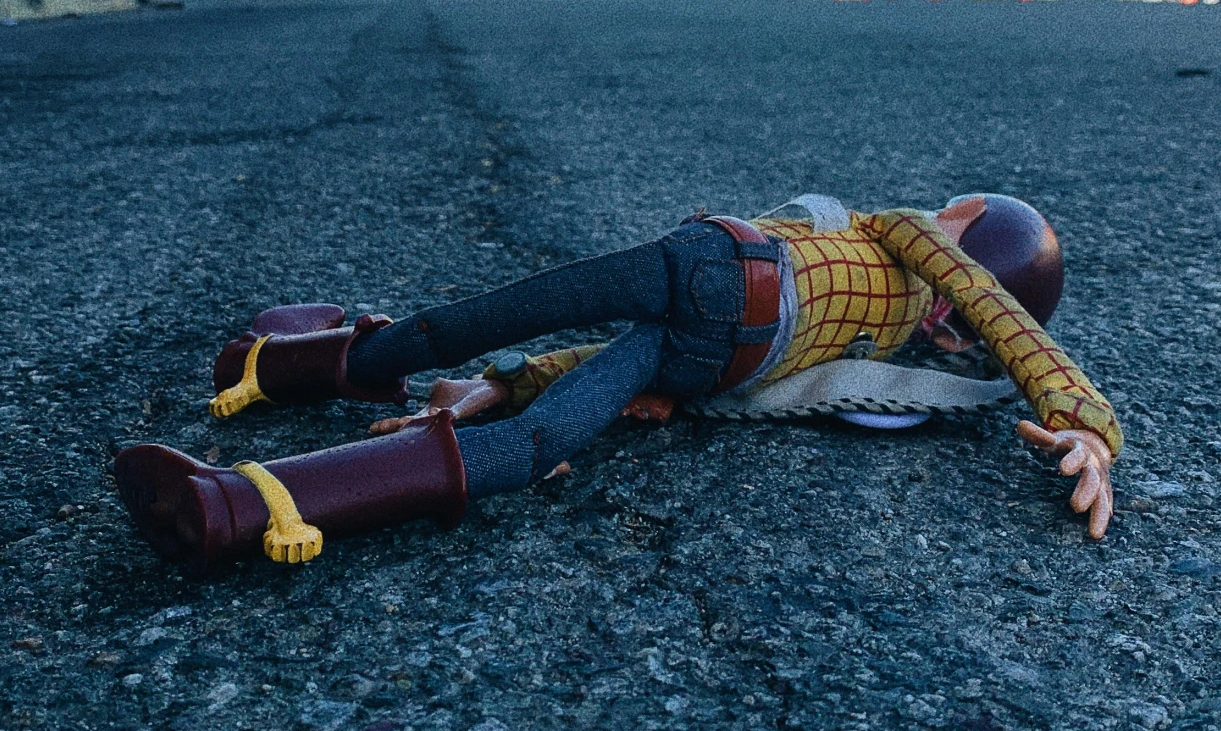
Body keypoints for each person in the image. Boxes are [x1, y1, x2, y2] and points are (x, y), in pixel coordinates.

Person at [115, 192, 1122, 576]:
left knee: (541, 445)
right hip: (709, 266)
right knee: (494, 316)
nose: (939, 227)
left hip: (702, 349)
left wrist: (1083, 421)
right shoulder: (884, 234)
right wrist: (503, 375)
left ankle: (243, 503)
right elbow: (1003, 316)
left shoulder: (881, 344)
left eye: (960, 220)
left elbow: (1000, 319)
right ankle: (278, 362)